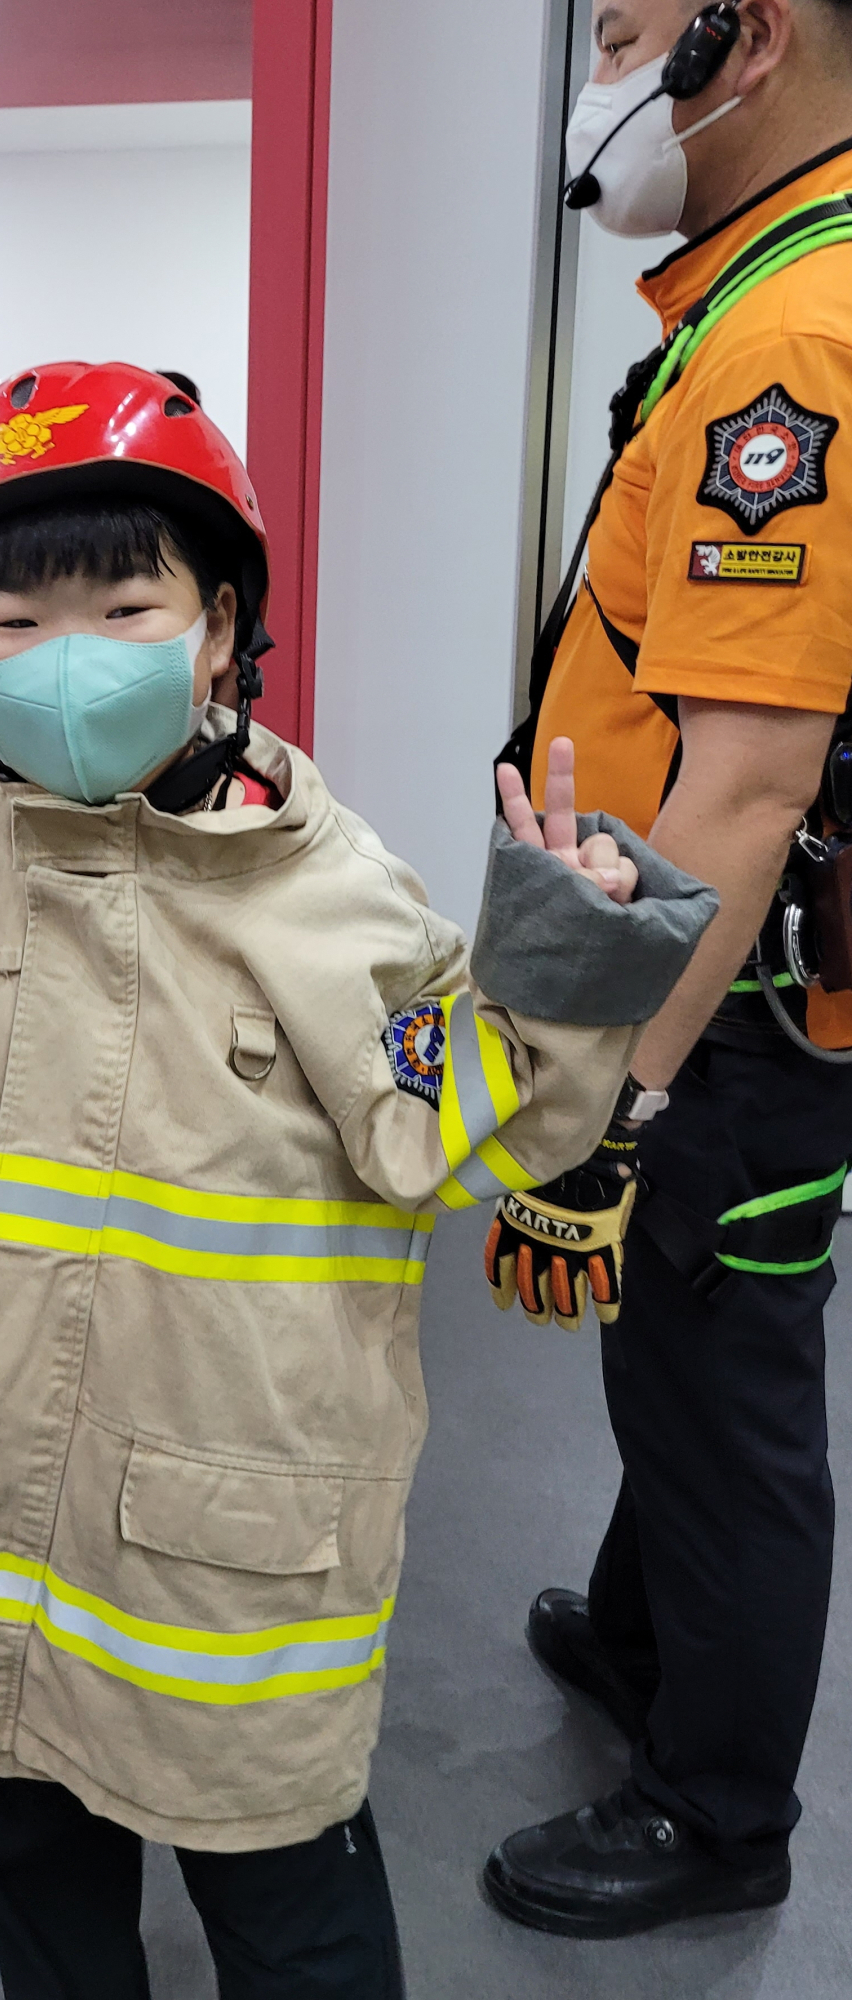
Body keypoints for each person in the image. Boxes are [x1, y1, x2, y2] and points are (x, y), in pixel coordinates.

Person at [0, 361, 715, 1997]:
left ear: (218, 630)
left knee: (299, 1938)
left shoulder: (337, 899)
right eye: (10, 622)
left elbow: (474, 1137)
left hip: (233, 1582)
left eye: (126, 607)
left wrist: (551, 967)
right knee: (44, 1926)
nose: (68, 661)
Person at [481, 0, 852, 1940]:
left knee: (724, 1384)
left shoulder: (795, 333)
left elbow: (753, 775)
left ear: (748, 38)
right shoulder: (762, 291)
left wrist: (609, 1105)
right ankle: (647, 1642)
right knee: (674, 1354)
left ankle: (722, 1810)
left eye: (621, 20)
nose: (598, 61)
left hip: (737, 1005)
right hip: (720, 977)